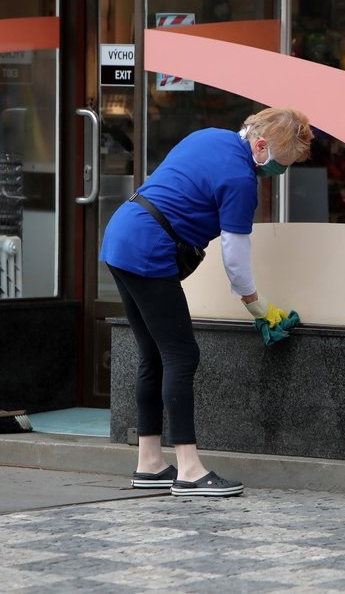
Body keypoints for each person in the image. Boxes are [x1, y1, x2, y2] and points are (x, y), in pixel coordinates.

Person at [99, 107, 314, 497]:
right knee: (182, 356)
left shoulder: (209, 135)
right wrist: (257, 306)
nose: (280, 173)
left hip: (121, 237)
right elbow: (235, 255)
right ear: (261, 146)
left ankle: (149, 464)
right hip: (148, 251)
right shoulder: (241, 180)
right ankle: (189, 469)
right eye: (282, 164)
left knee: (153, 355)